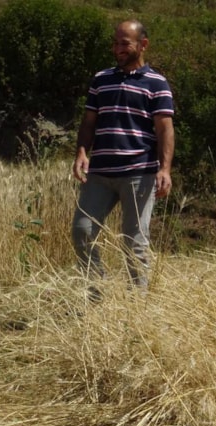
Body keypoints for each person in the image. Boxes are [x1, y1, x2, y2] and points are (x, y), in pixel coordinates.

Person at [71, 20, 175, 294]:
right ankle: (96, 291)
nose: (118, 49)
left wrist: (165, 169)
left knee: (134, 242)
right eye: (115, 43)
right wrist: (81, 152)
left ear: (143, 44)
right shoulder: (101, 79)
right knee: (82, 231)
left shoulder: (157, 83)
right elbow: (89, 122)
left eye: (125, 43)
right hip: (100, 173)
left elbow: (165, 129)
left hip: (139, 172)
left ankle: (137, 305)